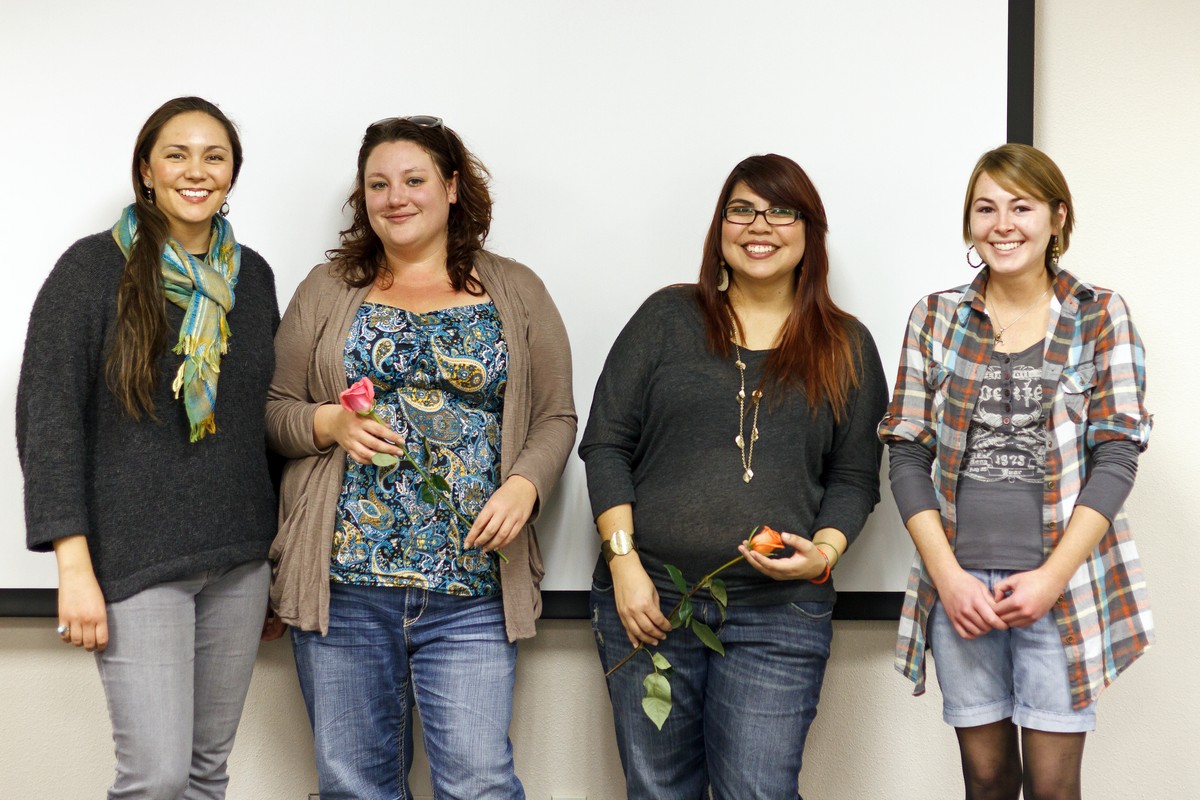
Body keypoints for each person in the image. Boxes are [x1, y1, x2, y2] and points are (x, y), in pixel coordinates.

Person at [265, 116, 576, 800]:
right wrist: (328, 423)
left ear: (452, 187)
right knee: (354, 788)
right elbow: (275, 412)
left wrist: (525, 484)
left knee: (479, 784)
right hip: (342, 585)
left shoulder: (515, 290)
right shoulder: (327, 289)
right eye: (378, 183)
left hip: (471, 588)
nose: (395, 197)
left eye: (413, 180)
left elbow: (555, 415)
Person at [579, 154, 887, 799]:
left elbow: (856, 477)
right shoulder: (668, 318)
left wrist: (822, 556)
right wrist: (624, 565)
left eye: (781, 211)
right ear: (720, 227)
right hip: (650, 602)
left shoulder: (846, 344)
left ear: (810, 233)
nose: (759, 225)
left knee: (758, 791)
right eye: (741, 209)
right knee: (659, 789)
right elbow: (606, 445)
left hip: (781, 614)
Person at [16, 96, 279, 799]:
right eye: (177, 154)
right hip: (135, 559)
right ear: (146, 170)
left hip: (240, 558)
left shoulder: (251, 278)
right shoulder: (90, 270)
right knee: (156, 777)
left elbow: (259, 420)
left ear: (233, 174)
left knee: (203, 775)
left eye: (214, 156)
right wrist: (72, 565)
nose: (197, 171)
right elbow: (48, 419)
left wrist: (279, 563)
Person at [878, 143, 1154, 800]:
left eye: (1022, 206)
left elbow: (1117, 453)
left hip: (1059, 589)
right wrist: (948, 578)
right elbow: (907, 451)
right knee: (987, 780)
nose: (1004, 224)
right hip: (961, 589)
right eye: (986, 208)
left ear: (1058, 218)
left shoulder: (1098, 315)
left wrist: (1051, 578)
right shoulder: (935, 317)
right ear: (970, 225)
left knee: (1056, 790)